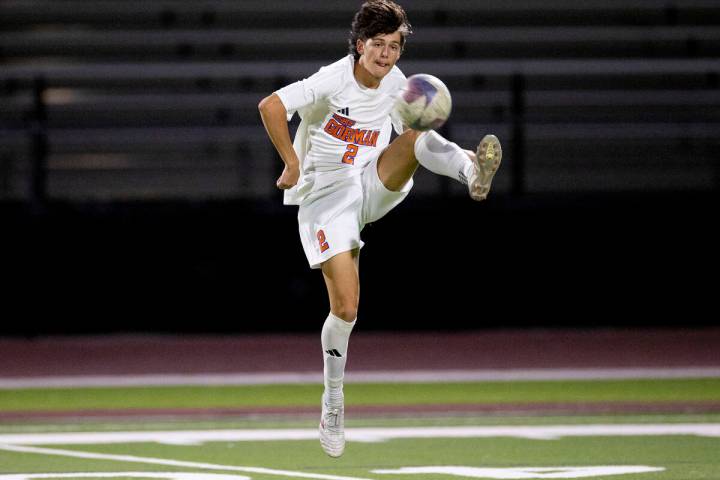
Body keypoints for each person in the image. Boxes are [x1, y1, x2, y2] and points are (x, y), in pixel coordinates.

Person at [258, 0, 501, 458]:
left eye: (394, 46)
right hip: (324, 199)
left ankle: (471, 174)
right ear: (359, 45)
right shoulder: (334, 78)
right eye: (378, 45)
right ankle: (333, 399)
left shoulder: (397, 85)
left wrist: (462, 154)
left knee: (415, 136)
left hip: (370, 182)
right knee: (347, 309)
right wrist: (291, 162)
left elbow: (421, 140)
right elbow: (271, 106)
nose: (387, 55)